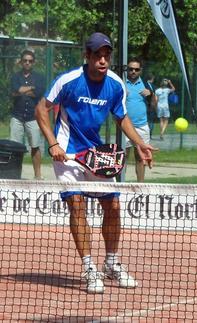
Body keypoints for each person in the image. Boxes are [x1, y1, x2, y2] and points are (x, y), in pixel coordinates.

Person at [35, 32, 156, 294]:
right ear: (87, 56)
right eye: (97, 55)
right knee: (77, 207)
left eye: (106, 55)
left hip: (97, 155)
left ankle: (111, 263)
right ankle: (90, 268)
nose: (103, 60)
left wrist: (139, 143)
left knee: (112, 205)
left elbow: (121, 117)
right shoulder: (68, 81)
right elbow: (41, 109)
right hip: (67, 155)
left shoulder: (115, 84)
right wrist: (53, 144)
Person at [10, 49, 46, 180]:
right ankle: (14, 175)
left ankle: (38, 176)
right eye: (25, 60)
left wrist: (22, 91)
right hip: (17, 116)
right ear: (21, 62)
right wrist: (31, 88)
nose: (27, 63)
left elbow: (39, 92)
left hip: (33, 117)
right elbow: (15, 90)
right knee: (15, 149)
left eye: (30, 61)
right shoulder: (15, 77)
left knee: (35, 146)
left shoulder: (39, 78)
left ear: (33, 62)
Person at [125, 57, 155, 182]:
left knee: (140, 158)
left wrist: (151, 95)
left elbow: (154, 107)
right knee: (122, 158)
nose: (133, 71)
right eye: (131, 69)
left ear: (140, 71)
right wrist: (121, 94)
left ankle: (140, 187)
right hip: (124, 126)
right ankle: (119, 185)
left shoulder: (147, 85)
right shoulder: (121, 83)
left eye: (136, 69)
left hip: (142, 126)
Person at [144, 74, 157, 139]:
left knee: (146, 120)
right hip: (150, 105)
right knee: (151, 121)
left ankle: (147, 134)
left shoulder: (143, 85)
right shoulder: (153, 87)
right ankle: (149, 134)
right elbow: (155, 97)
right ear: (152, 79)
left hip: (145, 105)